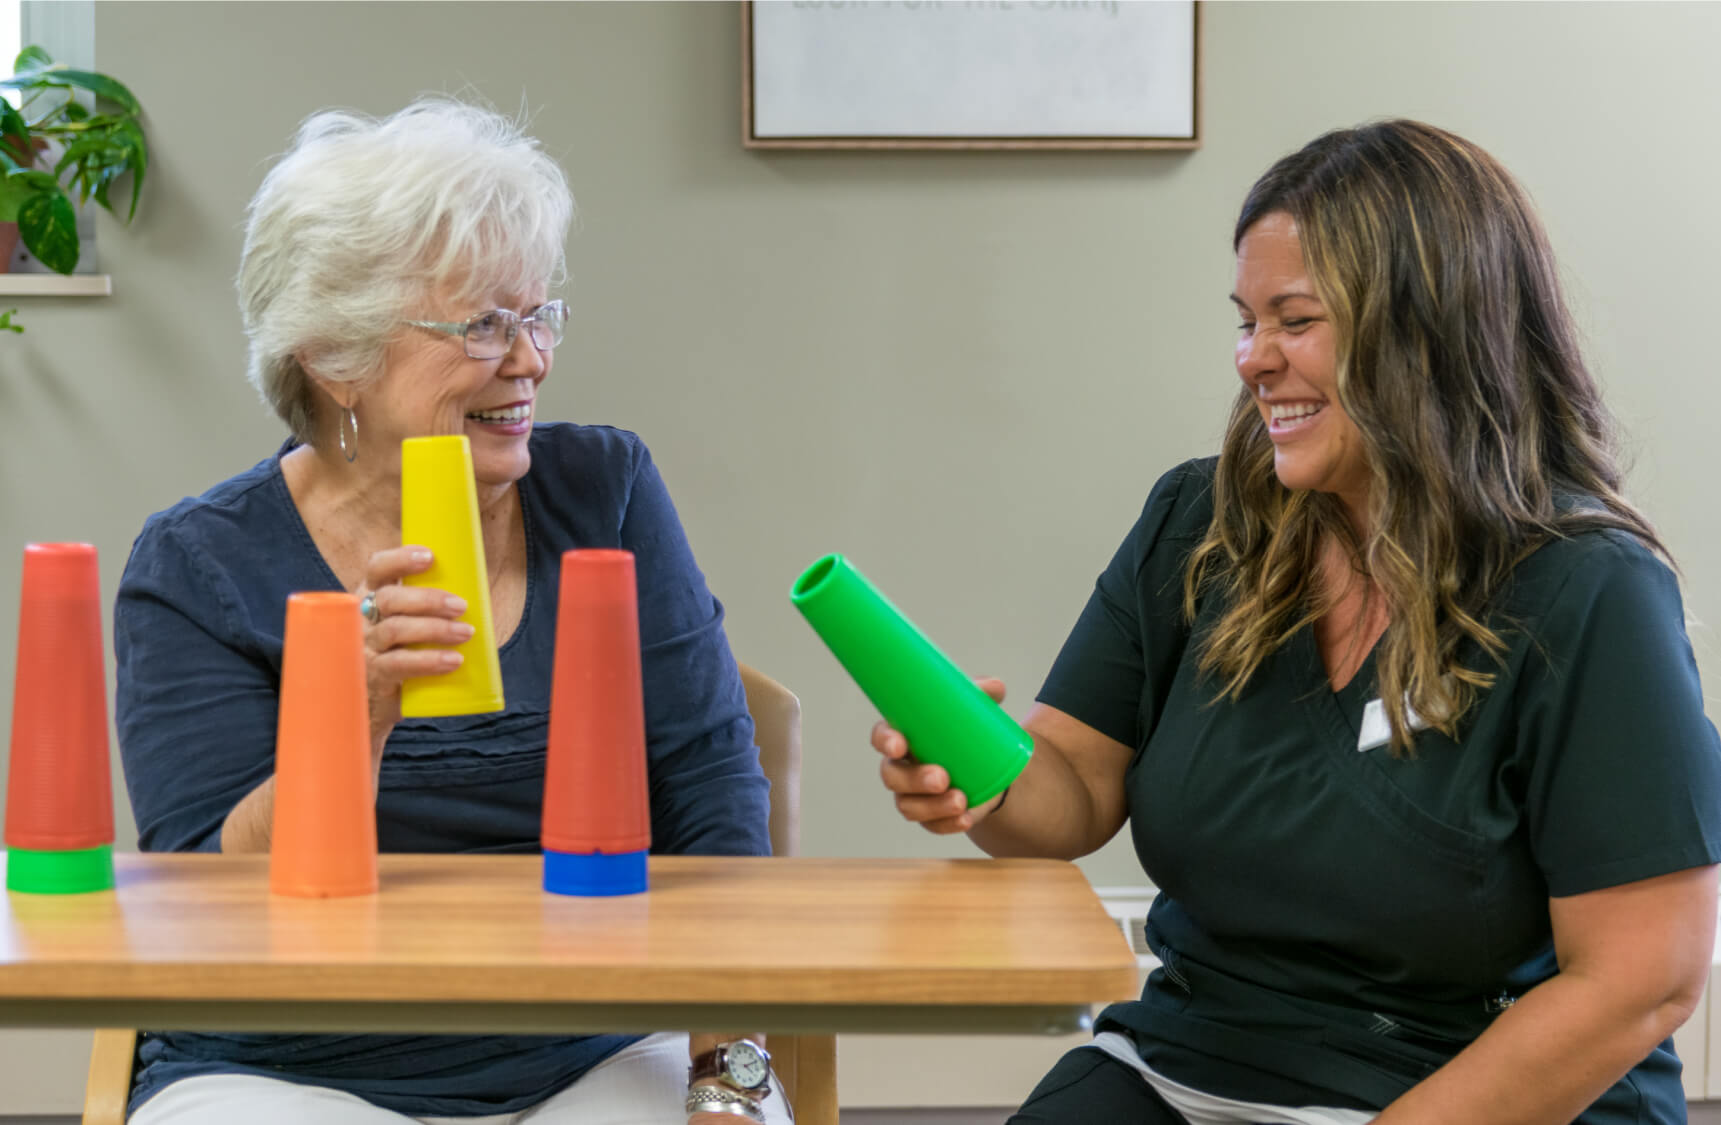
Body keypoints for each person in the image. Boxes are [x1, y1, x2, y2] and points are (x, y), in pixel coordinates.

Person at [873, 119, 1721, 1125]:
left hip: (1458, 1087)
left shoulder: (1586, 590)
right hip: (1196, 1057)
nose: (1251, 360)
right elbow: (1072, 792)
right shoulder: (1200, 524)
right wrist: (978, 773)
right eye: (1244, 320)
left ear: (1424, 331)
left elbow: (1640, 980)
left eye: (1292, 320)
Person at [114, 98, 790, 1125]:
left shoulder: (602, 489)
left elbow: (710, 806)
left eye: (536, 314)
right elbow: (207, 899)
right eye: (480, 325)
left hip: (593, 1047)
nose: (528, 361)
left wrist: (726, 1074)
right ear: (333, 357)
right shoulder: (199, 564)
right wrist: (360, 709)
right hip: (282, 1068)